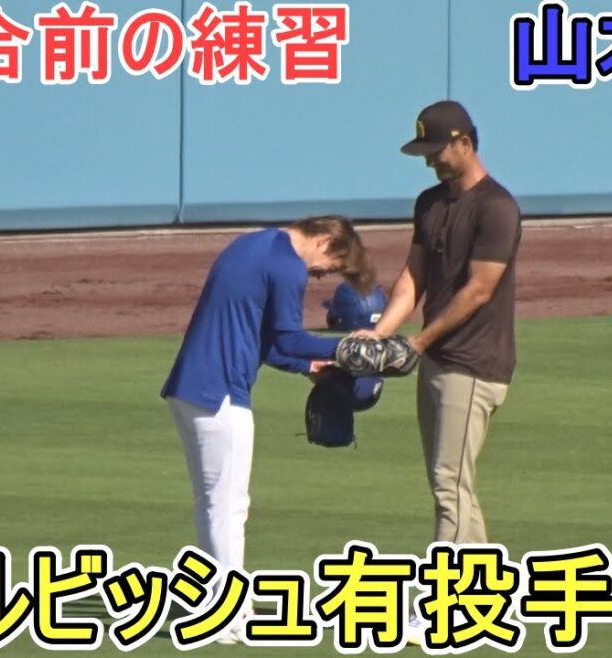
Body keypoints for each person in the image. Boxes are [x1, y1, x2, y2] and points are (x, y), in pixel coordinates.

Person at [160, 215, 374, 644]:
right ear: (326, 240)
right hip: (219, 394)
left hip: (188, 389)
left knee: (212, 502)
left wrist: (305, 366)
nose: (318, 276)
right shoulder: (288, 264)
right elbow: (290, 337)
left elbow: (270, 341)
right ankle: (229, 614)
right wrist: (355, 345)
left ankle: (215, 602)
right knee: (228, 505)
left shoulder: (253, 245)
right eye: (328, 268)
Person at [355, 100, 523, 645]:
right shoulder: (430, 203)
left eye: (437, 151)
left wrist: (419, 341)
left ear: (465, 143)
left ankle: (440, 607)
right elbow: (413, 276)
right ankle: (490, 597)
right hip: (438, 362)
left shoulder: (498, 208)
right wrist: (380, 334)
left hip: (474, 364)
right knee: (455, 486)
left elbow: (480, 288)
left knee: (448, 488)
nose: (430, 163)